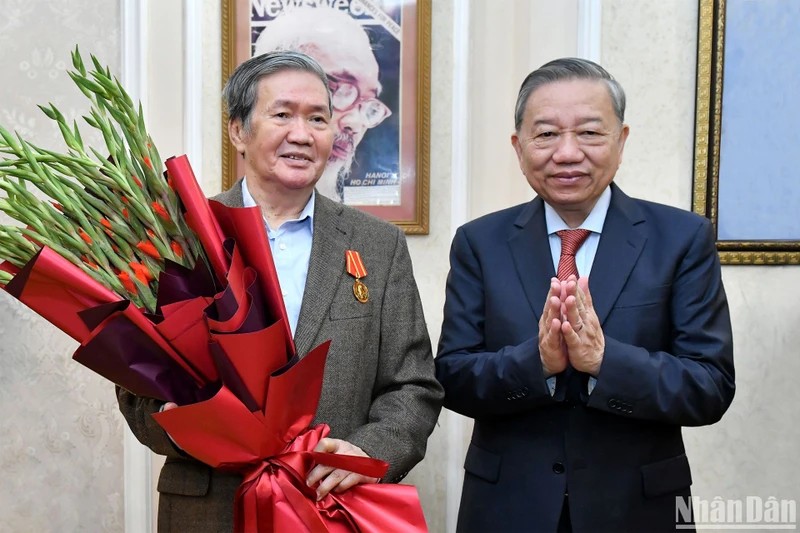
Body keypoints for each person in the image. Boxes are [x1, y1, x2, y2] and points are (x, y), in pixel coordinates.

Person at [118, 51, 442, 532]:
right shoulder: (179, 238)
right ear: (238, 132)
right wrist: (179, 424)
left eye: (318, 118)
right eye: (283, 114)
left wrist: (368, 451)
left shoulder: (378, 245)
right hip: (207, 511)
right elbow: (134, 387)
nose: (302, 134)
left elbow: (412, 384)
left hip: (330, 505)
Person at [435, 58, 735, 532]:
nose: (568, 153)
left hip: (638, 510)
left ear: (622, 141)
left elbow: (710, 387)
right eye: (547, 134)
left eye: (591, 133)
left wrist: (604, 360)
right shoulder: (479, 243)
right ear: (519, 146)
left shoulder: (682, 239)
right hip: (508, 509)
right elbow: (452, 375)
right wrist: (537, 364)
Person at [253, 7, 392, 203]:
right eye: (340, 92)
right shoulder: (200, 227)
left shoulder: (379, 234)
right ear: (238, 130)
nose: (355, 123)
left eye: (368, 106)